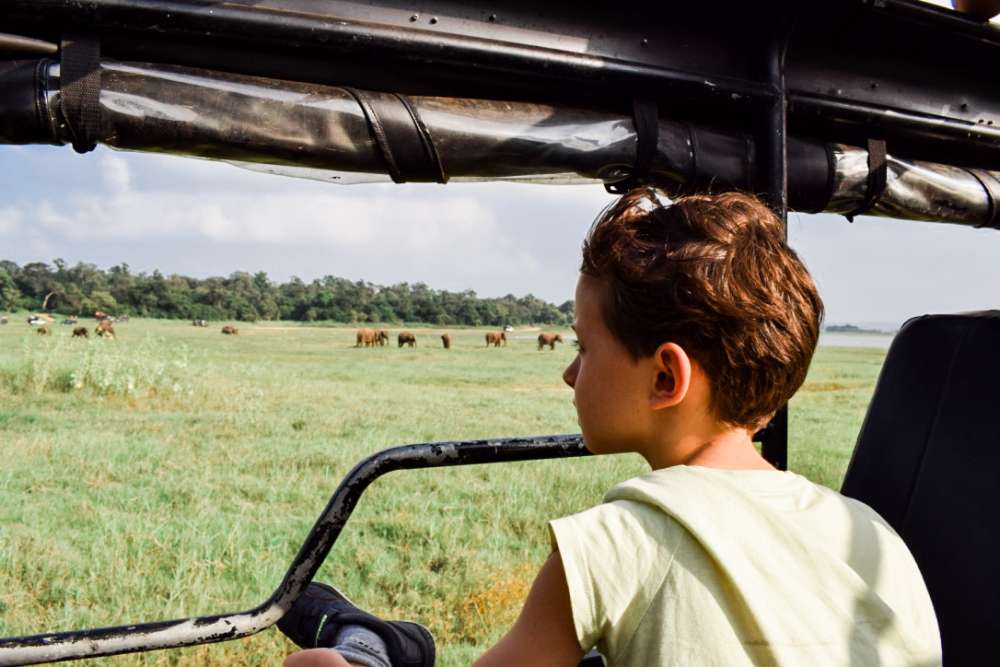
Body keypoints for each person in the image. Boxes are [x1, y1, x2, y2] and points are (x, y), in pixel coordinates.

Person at [281, 189, 941, 667]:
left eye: (584, 345)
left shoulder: (616, 541)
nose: (570, 373)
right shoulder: (873, 535)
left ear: (664, 379)